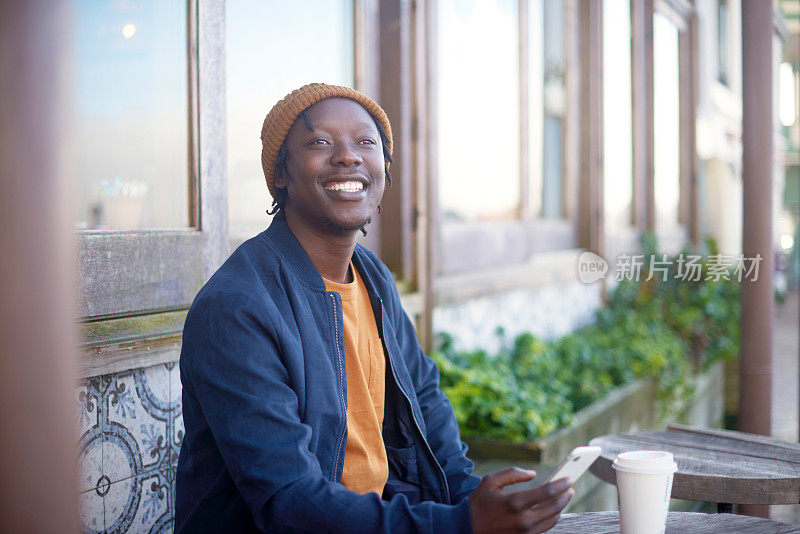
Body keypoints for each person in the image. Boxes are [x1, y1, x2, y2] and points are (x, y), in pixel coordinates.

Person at [175, 83, 573, 533]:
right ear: (280, 173)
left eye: (366, 142)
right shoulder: (237, 308)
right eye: (320, 142)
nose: (348, 156)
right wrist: (462, 525)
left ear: (384, 167)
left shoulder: (372, 276)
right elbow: (288, 501)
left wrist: (472, 499)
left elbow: (425, 400)